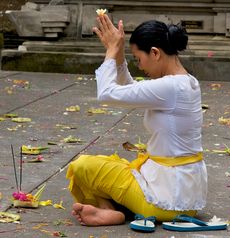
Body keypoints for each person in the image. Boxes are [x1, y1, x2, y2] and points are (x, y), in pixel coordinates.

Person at [66, 14, 207, 226]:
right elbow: (130, 90)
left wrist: (111, 51)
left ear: (155, 53)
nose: (140, 67)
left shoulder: (170, 87)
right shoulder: (184, 82)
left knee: (82, 166)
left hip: (164, 202)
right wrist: (119, 54)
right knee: (110, 165)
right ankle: (113, 210)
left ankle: (110, 210)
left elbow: (106, 93)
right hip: (184, 198)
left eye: (139, 59)